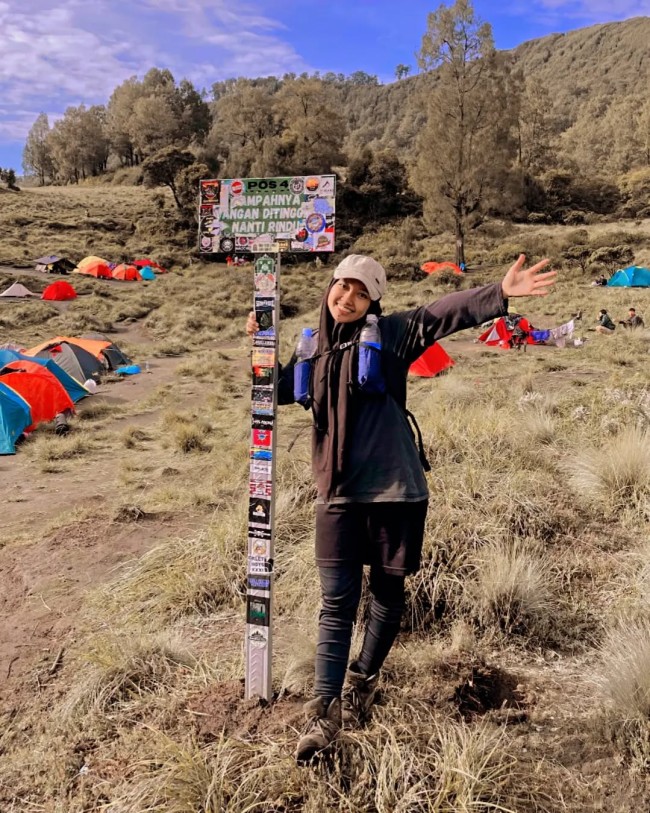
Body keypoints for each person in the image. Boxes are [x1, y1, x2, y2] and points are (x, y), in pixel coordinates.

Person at [245, 253, 557, 763]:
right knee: (337, 604)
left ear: (374, 300)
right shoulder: (312, 351)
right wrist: (255, 346)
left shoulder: (389, 336)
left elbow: (441, 314)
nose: (346, 299)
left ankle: (362, 684)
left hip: (396, 491)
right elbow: (271, 391)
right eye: (341, 287)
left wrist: (498, 295)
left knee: (388, 594)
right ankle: (324, 716)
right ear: (330, 289)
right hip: (338, 496)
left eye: (360, 292)